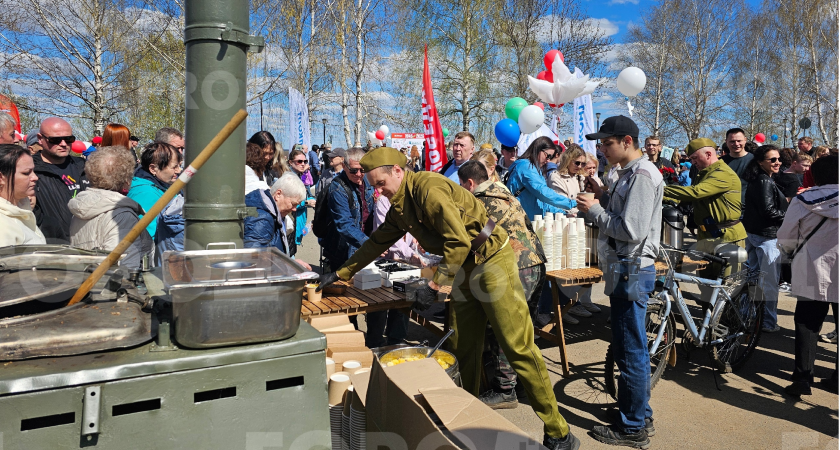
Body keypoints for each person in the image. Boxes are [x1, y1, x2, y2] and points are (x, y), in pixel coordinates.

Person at [316, 147, 580, 450]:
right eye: (373, 186)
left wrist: (435, 286)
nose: (377, 191)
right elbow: (377, 243)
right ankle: (466, 420)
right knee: (462, 347)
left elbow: (457, 240)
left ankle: (559, 431)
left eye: (379, 183)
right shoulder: (400, 205)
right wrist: (340, 274)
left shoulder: (429, 187)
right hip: (464, 266)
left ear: (398, 172)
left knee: (517, 346)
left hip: (492, 260)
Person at [576, 115, 662, 449]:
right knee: (629, 346)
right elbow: (626, 216)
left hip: (631, 267)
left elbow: (631, 230)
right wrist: (603, 194)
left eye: (607, 143)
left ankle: (633, 427)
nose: (601, 149)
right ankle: (638, 413)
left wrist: (596, 210)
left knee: (631, 349)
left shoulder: (641, 175)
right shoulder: (629, 173)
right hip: (625, 267)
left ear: (627, 141)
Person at [458, 160, 548, 410]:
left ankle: (504, 390)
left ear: (469, 183)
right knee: (523, 328)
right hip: (536, 262)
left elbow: (480, 238)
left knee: (504, 327)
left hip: (517, 267)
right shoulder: (503, 191)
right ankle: (522, 382)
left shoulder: (482, 200)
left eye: (460, 186)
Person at [779, 154, 838, 397]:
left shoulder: (803, 200)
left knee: (807, 324)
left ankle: (803, 378)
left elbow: (786, 237)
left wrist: (790, 253)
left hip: (812, 269)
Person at [664, 138, 747, 282]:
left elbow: (696, 192)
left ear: (708, 154)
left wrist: (661, 189)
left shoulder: (722, 173)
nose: (693, 162)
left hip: (726, 237)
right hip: (707, 235)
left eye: (695, 158)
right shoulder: (704, 173)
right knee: (706, 283)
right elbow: (689, 199)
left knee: (726, 287)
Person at [68, 146, 152, 269]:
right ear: (126, 179)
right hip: (112, 285)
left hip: (86, 280)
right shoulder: (122, 216)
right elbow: (124, 266)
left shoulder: (81, 206)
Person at [743, 145, 788, 333]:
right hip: (765, 237)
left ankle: (746, 314)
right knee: (768, 282)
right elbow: (768, 210)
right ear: (761, 162)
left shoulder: (763, 179)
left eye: (779, 159)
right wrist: (791, 216)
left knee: (752, 278)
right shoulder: (764, 181)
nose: (777, 163)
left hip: (757, 235)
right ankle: (768, 322)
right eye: (773, 160)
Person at [33, 117, 89, 244]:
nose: (63, 144)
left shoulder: (85, 167)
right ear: (40, 139)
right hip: (52, 249)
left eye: (69, 139)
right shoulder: (29, 170)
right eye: (55, 140)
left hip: (87, 245)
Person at [319, 147, 375, 272]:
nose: (359, 174)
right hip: (343, 252)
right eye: (354, 171)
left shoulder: (368, 180)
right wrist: (370, 245)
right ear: (344, 166)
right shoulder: (337, 188)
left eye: (362, 169)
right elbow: (344, 225)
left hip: (366, 247)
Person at [244, 172, 313, 270]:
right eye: (293, 204)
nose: (295, 209)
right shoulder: (262, 218)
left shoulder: (272, 212)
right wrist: (288, 265)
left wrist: (290, 262)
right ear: (278, 194)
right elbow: (255, 260)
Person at [505, 137, 576, 220]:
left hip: (530, 222)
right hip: (518, 222)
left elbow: (542, 205)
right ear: (538, 149)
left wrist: (563, 214)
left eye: (551, 157)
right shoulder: (525, 166)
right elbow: (543, 192)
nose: (548, 160)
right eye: (547, 155)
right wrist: (572, 203)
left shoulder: (535, 169)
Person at [128, 142, 183, 238]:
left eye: (179, 166)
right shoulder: (145, 193)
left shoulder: (161, 186)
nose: (179, 171)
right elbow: (149, 236)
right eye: (174, 167)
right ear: (153, 168)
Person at [0, 144, 45, 246]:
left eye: (33, 171)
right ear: (1, 178)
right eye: (26, 173)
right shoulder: (2, 224)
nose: (35, 177)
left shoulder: (22, 209)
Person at [288, 147, 317, 250]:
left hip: (298, 222)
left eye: (305, 161)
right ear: (290, 162)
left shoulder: (299, 176)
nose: (303, 164)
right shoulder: (289, 179)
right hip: (291, 221)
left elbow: (308, 183)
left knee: (298, 237)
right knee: (289, 254)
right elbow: (289, 202)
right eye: (299, 161)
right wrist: (306, 203)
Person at [722, 128, 753, 208]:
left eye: (739, 141)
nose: (736, 144)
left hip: (749, 210)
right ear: (726, 142)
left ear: (745, 140)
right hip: (726, 208)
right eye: (732, 141)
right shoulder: (720, 163)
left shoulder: (755, 161)